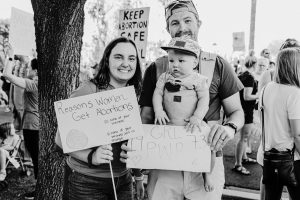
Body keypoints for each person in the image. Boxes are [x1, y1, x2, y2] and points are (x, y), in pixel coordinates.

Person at [122, 1, 245, 199]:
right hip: (164, 163)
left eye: (188, 20)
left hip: (205, 162)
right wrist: (137, 168)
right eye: (175, 23)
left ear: (199, 23)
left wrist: (228, 128)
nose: (182, 28)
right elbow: (145, 116)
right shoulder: (157, 68)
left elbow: (237, 112)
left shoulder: (218, 64)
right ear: (168, 28)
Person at [55, 37, 145, 200]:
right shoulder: (88, 90)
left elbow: (134, 138)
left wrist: (138, 176)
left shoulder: (135, 94)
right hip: (87, 182)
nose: (126, 63)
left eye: (131, 58)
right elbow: (60, 140)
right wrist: (92, 156)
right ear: (107, 60)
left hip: (123, 181)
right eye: (119, 57)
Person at [152, 36, 215, 192]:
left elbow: (204, 100)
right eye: (171, 60)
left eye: (181, 61)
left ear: (194, 63)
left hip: (192, 124)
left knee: (209, 148)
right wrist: (158, 110)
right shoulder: (165, 77)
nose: (175, 65)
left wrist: (197, 117)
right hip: (170, 123)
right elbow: (157, 94)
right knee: (168, 147)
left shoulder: (199, 80)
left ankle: (207, 173)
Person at [257, 38, 300, 200]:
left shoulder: (267, 88)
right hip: (291, 156)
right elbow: (297, 135)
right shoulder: (294, 92)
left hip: (269, 151)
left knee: (271, 196)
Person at [3, 56, 39, 199]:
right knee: (37, 158)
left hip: (32, 126)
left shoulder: (33, 84)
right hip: (37, 125)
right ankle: (39, 187)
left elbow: (6, 75)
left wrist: (10, 56)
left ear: (35, 71)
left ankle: (39, 189)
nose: (27, 70)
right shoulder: (44, 83)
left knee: (36, 158)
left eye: (29, 68)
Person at [233, 57, 258, 175]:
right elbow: (247, 96)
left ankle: (244, 158)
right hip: (246, 111)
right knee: (244, 138)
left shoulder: (243, 74)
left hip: (243, 110)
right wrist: (260, 95)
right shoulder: (249, 77)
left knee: (244, 137)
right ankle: (238, 164)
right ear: (255, 65)